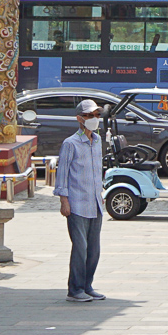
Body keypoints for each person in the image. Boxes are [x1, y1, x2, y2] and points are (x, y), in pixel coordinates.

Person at [52, 98, 106, 302]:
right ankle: (75, 289)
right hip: (76, 204)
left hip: (95, 203)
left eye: (96, 115)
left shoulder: (98, 141)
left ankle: (87, 285)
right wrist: (64, 201)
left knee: (94, 251)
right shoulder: (70, 143)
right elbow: (62, 174)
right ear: (79, 119)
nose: (94, 119)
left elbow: (96, 171)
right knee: (80, 249)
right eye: (89, 116)